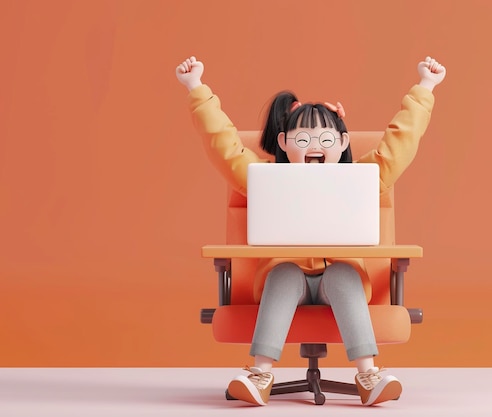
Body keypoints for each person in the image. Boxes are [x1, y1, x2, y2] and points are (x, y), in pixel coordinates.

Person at [175, 55, 446, 406]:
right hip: (284, 278)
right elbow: (225, 148)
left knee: (345, 275)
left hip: (342, 279)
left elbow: (399, 145)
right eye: (303, 140)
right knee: (284, 273)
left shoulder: (365, 178)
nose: (314, 146)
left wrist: (425, 87)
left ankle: (369, 375)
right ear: (284, 142)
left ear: (344, 142)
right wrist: (196, 88)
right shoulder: (262, 177)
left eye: (325, 139)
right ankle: (259, 375)